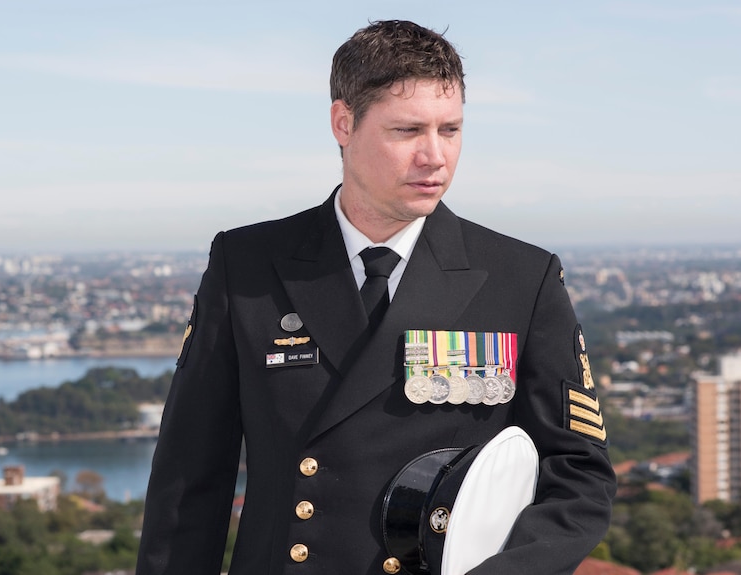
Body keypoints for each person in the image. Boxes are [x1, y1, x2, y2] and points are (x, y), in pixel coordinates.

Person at [137, 20, 616, 575]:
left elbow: (579, 476)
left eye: (451, 130)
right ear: (344, 123)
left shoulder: (521, 277)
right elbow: (189, 479)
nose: (435, 157)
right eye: (408, 131)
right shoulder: (246, 265)